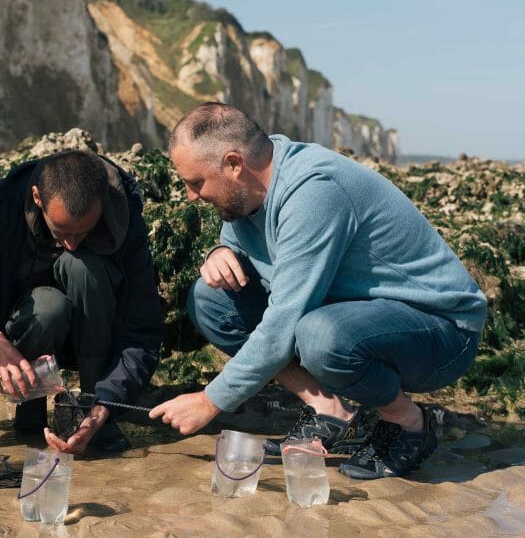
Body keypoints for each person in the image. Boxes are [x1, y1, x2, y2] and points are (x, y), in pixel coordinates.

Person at [151, 102, 486, 480]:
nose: (191, 196)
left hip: (440, 330)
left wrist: (210, 400)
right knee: (210, 301)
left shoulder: (313, 191)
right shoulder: (252, 183)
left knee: (319, 336)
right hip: (357, 315)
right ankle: (332, 411)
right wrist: (222, 251)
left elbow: (283, 323)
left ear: (233, 163)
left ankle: (410, 422)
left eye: (196, 182)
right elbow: (244, 234)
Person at [0, 149, 165, 454]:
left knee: (82, 266)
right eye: (61, 231)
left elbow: (142, 330)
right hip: (24, 333)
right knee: (47, 306)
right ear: (37, 198)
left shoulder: (127, 219)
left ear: (103, 204)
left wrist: (105, 405)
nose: (71, 243)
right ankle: (30, 417)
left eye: (85, 231)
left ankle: (90, 411)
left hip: (97, 331)